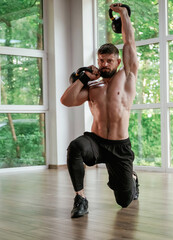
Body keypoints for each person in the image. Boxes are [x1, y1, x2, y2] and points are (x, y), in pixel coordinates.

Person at [60, 3, 139, 218]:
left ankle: (131, 180)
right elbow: (66, 101)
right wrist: (84, 78)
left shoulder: (126, 77)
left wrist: (122, 14)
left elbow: (129, 43)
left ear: (118, 61)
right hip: (96, 141)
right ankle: (81, 198)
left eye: (109, 61)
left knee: (124, 201)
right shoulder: (92, 85)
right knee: (75, 147)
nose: (104, 64)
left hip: (119, 146)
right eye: (101, 60)